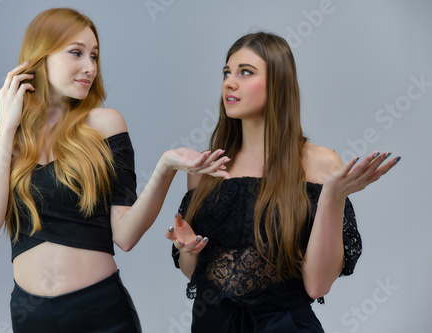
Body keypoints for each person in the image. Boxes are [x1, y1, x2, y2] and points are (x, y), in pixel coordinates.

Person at [0, 8, 229, 333]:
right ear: (41, 56)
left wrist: (166, 166)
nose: (90, 67)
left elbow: (126, 236)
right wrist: (8, 126)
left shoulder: (104, 125)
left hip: (101, 312)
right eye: (76, 53)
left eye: (95, 56)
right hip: (29, 317)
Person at [166, 32, 401, 332]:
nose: (229, 82)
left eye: (245, 72)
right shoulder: (205, 166)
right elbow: (194, 274)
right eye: (226, 73)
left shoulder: (320, 163)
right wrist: (188, 248)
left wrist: (332, 197)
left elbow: (317, 285)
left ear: (278, 83)